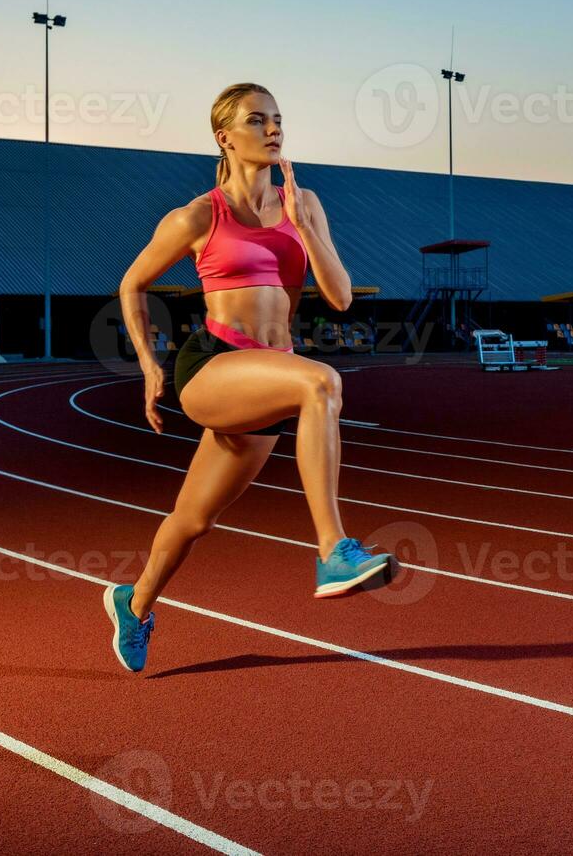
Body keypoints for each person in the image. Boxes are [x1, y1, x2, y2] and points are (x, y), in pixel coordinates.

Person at [103, 82, 394, 673]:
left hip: (268, 369)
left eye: (278, 119)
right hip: (211, 362)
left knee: (194, 519)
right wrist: (149, 365)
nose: (272, 129)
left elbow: (339, 298)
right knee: (320, 385)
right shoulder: (196, 215)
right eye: (257, 120)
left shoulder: (304, 202)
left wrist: (301, 225)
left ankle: (132, 603)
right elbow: (132, 284)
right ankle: (334, 551)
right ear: (225, 137)